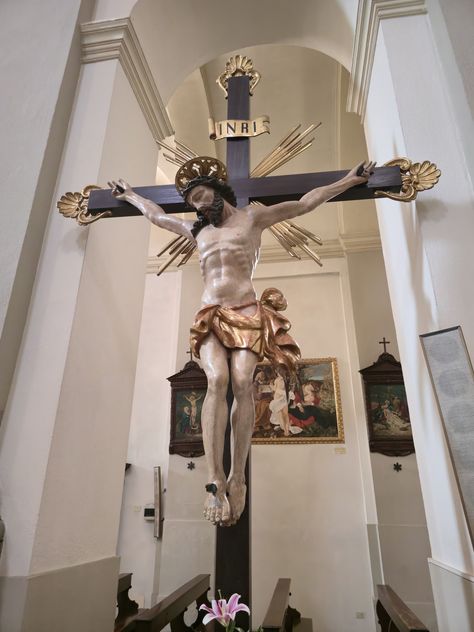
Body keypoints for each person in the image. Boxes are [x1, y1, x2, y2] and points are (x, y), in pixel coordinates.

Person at [108, 157, 375, 526]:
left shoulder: (252, 218)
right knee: (216, 380)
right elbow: (157, 216)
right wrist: (131, 196)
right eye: (192, 202)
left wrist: (348, 181)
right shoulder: (197, 231)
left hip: (247, 312)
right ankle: (214, 478)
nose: (198, 205)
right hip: (210, 312)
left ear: (218, 191)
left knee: (242, 382)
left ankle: (238, 476)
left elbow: (304, 203)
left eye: (201, 196)